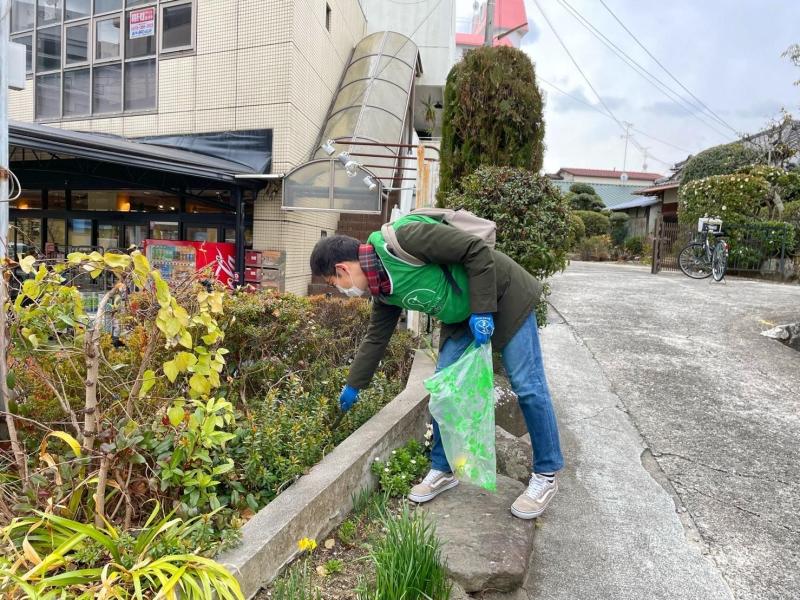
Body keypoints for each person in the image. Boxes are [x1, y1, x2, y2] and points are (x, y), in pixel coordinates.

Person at [309, 213, 564, 519]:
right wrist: (354, 385)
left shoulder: (404, 240)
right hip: (462, 316)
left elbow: (475, 250)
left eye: (334, 283)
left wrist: (483, 310)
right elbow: (376, 338)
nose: (340, 289)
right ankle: (443, 469)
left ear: (342, 268)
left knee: (527, 385)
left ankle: (545, 475)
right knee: (444, 390)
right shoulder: (384, 291)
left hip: (504, 294)